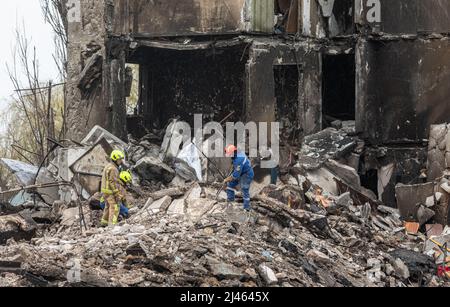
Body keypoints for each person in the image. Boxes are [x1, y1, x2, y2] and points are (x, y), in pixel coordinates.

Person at [100, 150, 128, 226]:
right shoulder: (113, 169)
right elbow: (113, 182)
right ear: (115, 158)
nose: (121, 161)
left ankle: (104, 223)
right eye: (120, 159)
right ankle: (112, 225)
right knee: (114, 207)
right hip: (110, 192)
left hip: (105, 191)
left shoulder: (108, 166)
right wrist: (117, 194)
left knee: (107, 207)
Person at [223, 145, 255, 212]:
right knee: (230, 185)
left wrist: (227, 179)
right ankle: (230, 201)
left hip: (247, 174)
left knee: (244, 188)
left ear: (233, 152)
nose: (229, 156)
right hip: (241, 172)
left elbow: (235, 176)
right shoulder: (237, 154)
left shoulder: (239, 160)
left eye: (229, 154)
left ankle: (247, 208)